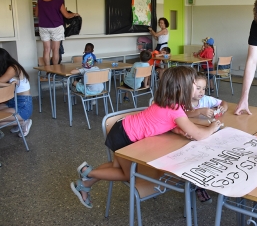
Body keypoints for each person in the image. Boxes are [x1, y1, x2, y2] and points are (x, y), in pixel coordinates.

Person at [70, 66, 222, 208]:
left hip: (123, 130)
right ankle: (87, 173)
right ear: (182, 88)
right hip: (125, 137)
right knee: (126, 174)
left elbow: (164, 122)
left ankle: (85, 184)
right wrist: (213, 127)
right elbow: (199, 135)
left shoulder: (170, 102)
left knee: (116, 167)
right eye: (194, 86)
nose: (197, 90)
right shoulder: (175, 109)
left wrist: (177, 130)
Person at [185, 72, 228, 204]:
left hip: (205, 135)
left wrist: (222, 108)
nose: (201, 92)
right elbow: (183, 114)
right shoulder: (184, 100)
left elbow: (223, 102)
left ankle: (208, 181)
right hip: (187, 137)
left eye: (204, 88)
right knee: (195, 159)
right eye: (198, 88)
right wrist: (199, 111)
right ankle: (198, 186)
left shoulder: (206, 100)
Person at [35, 0, 79, 66]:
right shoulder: (58, 0)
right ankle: (54, 70)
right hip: (56, 27)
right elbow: (66, 15)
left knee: (46, 49)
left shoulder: (40, 0)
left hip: (43, 27)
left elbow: (36, 14)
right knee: (55, 49)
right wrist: (74, 14)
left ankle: (47, 71)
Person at [0, 48, 33, 138]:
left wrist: (7, 85)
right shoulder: (7, 68)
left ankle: (23, 122)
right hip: (12, 101)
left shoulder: (13, 68)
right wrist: (8, 85)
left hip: (23, 105)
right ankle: (19, 122)